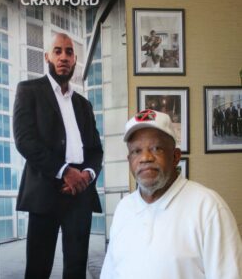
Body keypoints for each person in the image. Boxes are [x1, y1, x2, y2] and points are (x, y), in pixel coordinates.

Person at [101, 109, 242, 279]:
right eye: (136, 151)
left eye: (156, 148)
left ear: (175, 156)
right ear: (129, 160)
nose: (145, 158)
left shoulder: (208, 208)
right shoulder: (124, 208)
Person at [13, 32, 103, 279]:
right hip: (44, 190)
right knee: (38, 270)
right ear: (47, 57)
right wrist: (65, 171)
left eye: (69, 52)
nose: (64, 57)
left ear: (75, 60)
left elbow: (96, 151)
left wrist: (86, 174)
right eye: (58, 51)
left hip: (80, 193)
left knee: (76, 269)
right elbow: (25, 141)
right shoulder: (29, 90)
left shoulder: (83, 105)